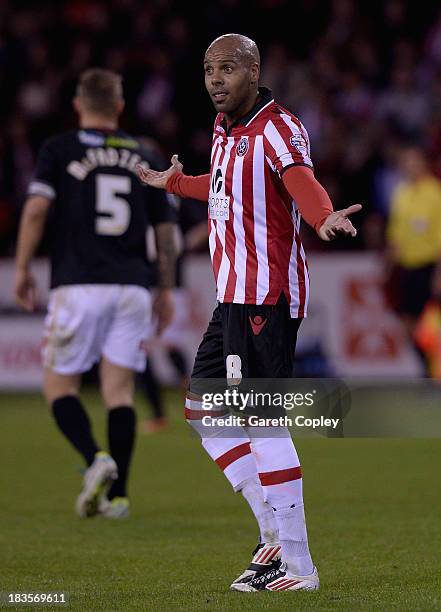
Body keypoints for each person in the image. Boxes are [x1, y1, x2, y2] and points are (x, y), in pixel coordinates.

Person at [137, 33, 360, 593]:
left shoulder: (277, 126)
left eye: (228, 69)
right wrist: (173, 183)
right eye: (209, 68)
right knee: (202, 410)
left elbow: (300, 183)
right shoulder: (225, 129)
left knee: (261, 422)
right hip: (233, 296)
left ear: (253, 70)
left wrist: (323, 216)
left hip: (267, 297)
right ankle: (272, 537)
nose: (216, 79)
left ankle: (298, 566)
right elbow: (223, 193)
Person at [14, 68, 177, 519]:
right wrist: (164, 288)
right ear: (120, 107)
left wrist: (24, 266)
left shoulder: (58, 149)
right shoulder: (145, 152)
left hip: (79, 284)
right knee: (119, 393)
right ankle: (119, 496)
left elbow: (35, 210)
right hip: (133, 288)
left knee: (58, 385)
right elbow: (166, 232)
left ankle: (94, 458)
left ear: (78, 105)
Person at [386, 145, 441, 371]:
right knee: (408, 324)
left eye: (413, 161)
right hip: (406, 268)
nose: (409, 166)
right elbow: (396, 230)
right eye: (405, 162)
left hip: (428, 266)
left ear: (423, 163)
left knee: (429, 325)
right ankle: (426, 369)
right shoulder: (401, 193)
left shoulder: (434, 193)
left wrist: (439, 273)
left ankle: (433, 371)